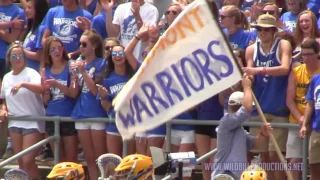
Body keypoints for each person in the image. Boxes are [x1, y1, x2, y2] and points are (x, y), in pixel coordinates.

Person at [243, 14, 292, 180]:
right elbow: (250, 74)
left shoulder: (283, 45)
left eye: (265, 30)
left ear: (273, 31)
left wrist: (260, 70)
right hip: (259, 109)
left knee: (276, 156)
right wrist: (247, 78)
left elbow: (285, 68)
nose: (261, 33)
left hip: (278, 108)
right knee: (262, 156)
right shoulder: (251, 49)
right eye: (258, 29)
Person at [211, 74, 273, 180]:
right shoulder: (225, 122)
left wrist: (263, 134)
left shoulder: (240, 130)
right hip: (223, 176)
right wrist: (247, 87)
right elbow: (246, 109)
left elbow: (256, 144)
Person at [0, 42, 45, 179]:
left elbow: (41, 89)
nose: (18, 58)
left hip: (32, 121)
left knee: (27, 160)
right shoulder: (7, 77)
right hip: (15, 122)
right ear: (9, 59)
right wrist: (3, 109)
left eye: (21, 55)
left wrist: (23, 84)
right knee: (21, 161)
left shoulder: (31, 73)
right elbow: (4, 99)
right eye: (14, 56)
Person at [97, 25, 144, 157]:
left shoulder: (133, 75)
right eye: (114, 54)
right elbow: (107, 107)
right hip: (113, 125)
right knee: (115, 163)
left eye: (120, 53)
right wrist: (104, 97)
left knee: (129, 163)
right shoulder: (107, 79)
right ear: (111, 58)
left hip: (131, 124)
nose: (117, 56)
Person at [71, 29, 106, 180]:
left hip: (97, 113)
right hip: (81, 112)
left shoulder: (102, 63)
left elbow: (94, 91)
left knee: (100, 156)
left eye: (84, 44)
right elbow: (75, 92)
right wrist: (73, 75)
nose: (81, 47)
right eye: (79, 44)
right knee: (89, 157)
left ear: (94, 45)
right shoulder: (80, 63)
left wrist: (83, 72)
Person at [41, 36, 79, 162]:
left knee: (71, 159)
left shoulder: (70, 66)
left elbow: (74, 93)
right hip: (51, 116)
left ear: (63, 49)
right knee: (58, 160)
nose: (57, 51)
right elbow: (45, 101)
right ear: (48, 52)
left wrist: (56, 84)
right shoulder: (45, 70)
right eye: (53, 49)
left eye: (59, 48)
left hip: (68, 116)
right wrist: (45, 92)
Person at [287, 39, 320, 180]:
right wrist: (303, 120)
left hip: (316, 124)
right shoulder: (299, 73)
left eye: (308, 54)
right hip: (303, 122)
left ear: (318, 54)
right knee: (298, 163)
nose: (305, 58)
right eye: (303, 55)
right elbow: (305, 101)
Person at [300, 42, 320, 180]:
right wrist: (304, 124)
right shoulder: (315, 79)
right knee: (314, 166)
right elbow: (310, 103)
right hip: (317, 129)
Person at [22, 0, 49, 72]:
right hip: (26, 69)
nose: (26, 10)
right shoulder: (32, 26)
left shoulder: (42, 28)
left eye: (29, 8)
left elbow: (40, 56)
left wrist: (21, 51)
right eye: (26, 7)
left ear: (38, 9)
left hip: (35, 71)